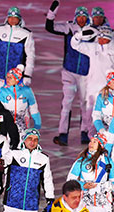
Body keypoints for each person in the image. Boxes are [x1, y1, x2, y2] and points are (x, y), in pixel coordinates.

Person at [45, 2, 91, 146]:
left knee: (85, 104)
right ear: (75, 18)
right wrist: (51, 13)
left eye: (84, 17)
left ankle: (85, 133)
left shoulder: (92, 32)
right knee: (66, 104)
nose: (81, 20)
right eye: (79, 17)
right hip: (69, 72)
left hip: (85, 73)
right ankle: (63, 134)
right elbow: (50, 28)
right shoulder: (69, 28)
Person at [70, 26, 114, 137]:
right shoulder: (93, 48)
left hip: (107, 89)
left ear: (108, 39)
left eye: (102, 38)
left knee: (107, 112)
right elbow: (75, 45)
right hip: (92, 87)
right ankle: (90, 135)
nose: (100, 40)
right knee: (90, 111)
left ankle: (108, 136)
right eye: (99, 37)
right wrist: (80, 35)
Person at [0, 7, 35, 88]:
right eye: (10, 18)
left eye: (15, 18)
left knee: (14, 100)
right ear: (7, 18)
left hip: (16, 77)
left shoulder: (26, 34)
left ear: (19, 19)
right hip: (0, 75)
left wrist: (27, 74)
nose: (12, 20)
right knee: (0, 99)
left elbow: (30, 56)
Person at [0, 64, 41, 136]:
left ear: (17, 79)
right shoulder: (3, 91)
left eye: (10, 78)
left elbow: (34, 108)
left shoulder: (27, 91)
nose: (7, 80)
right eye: (7, 77)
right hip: (7, 126)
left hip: (24, 127)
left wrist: (37, 125)